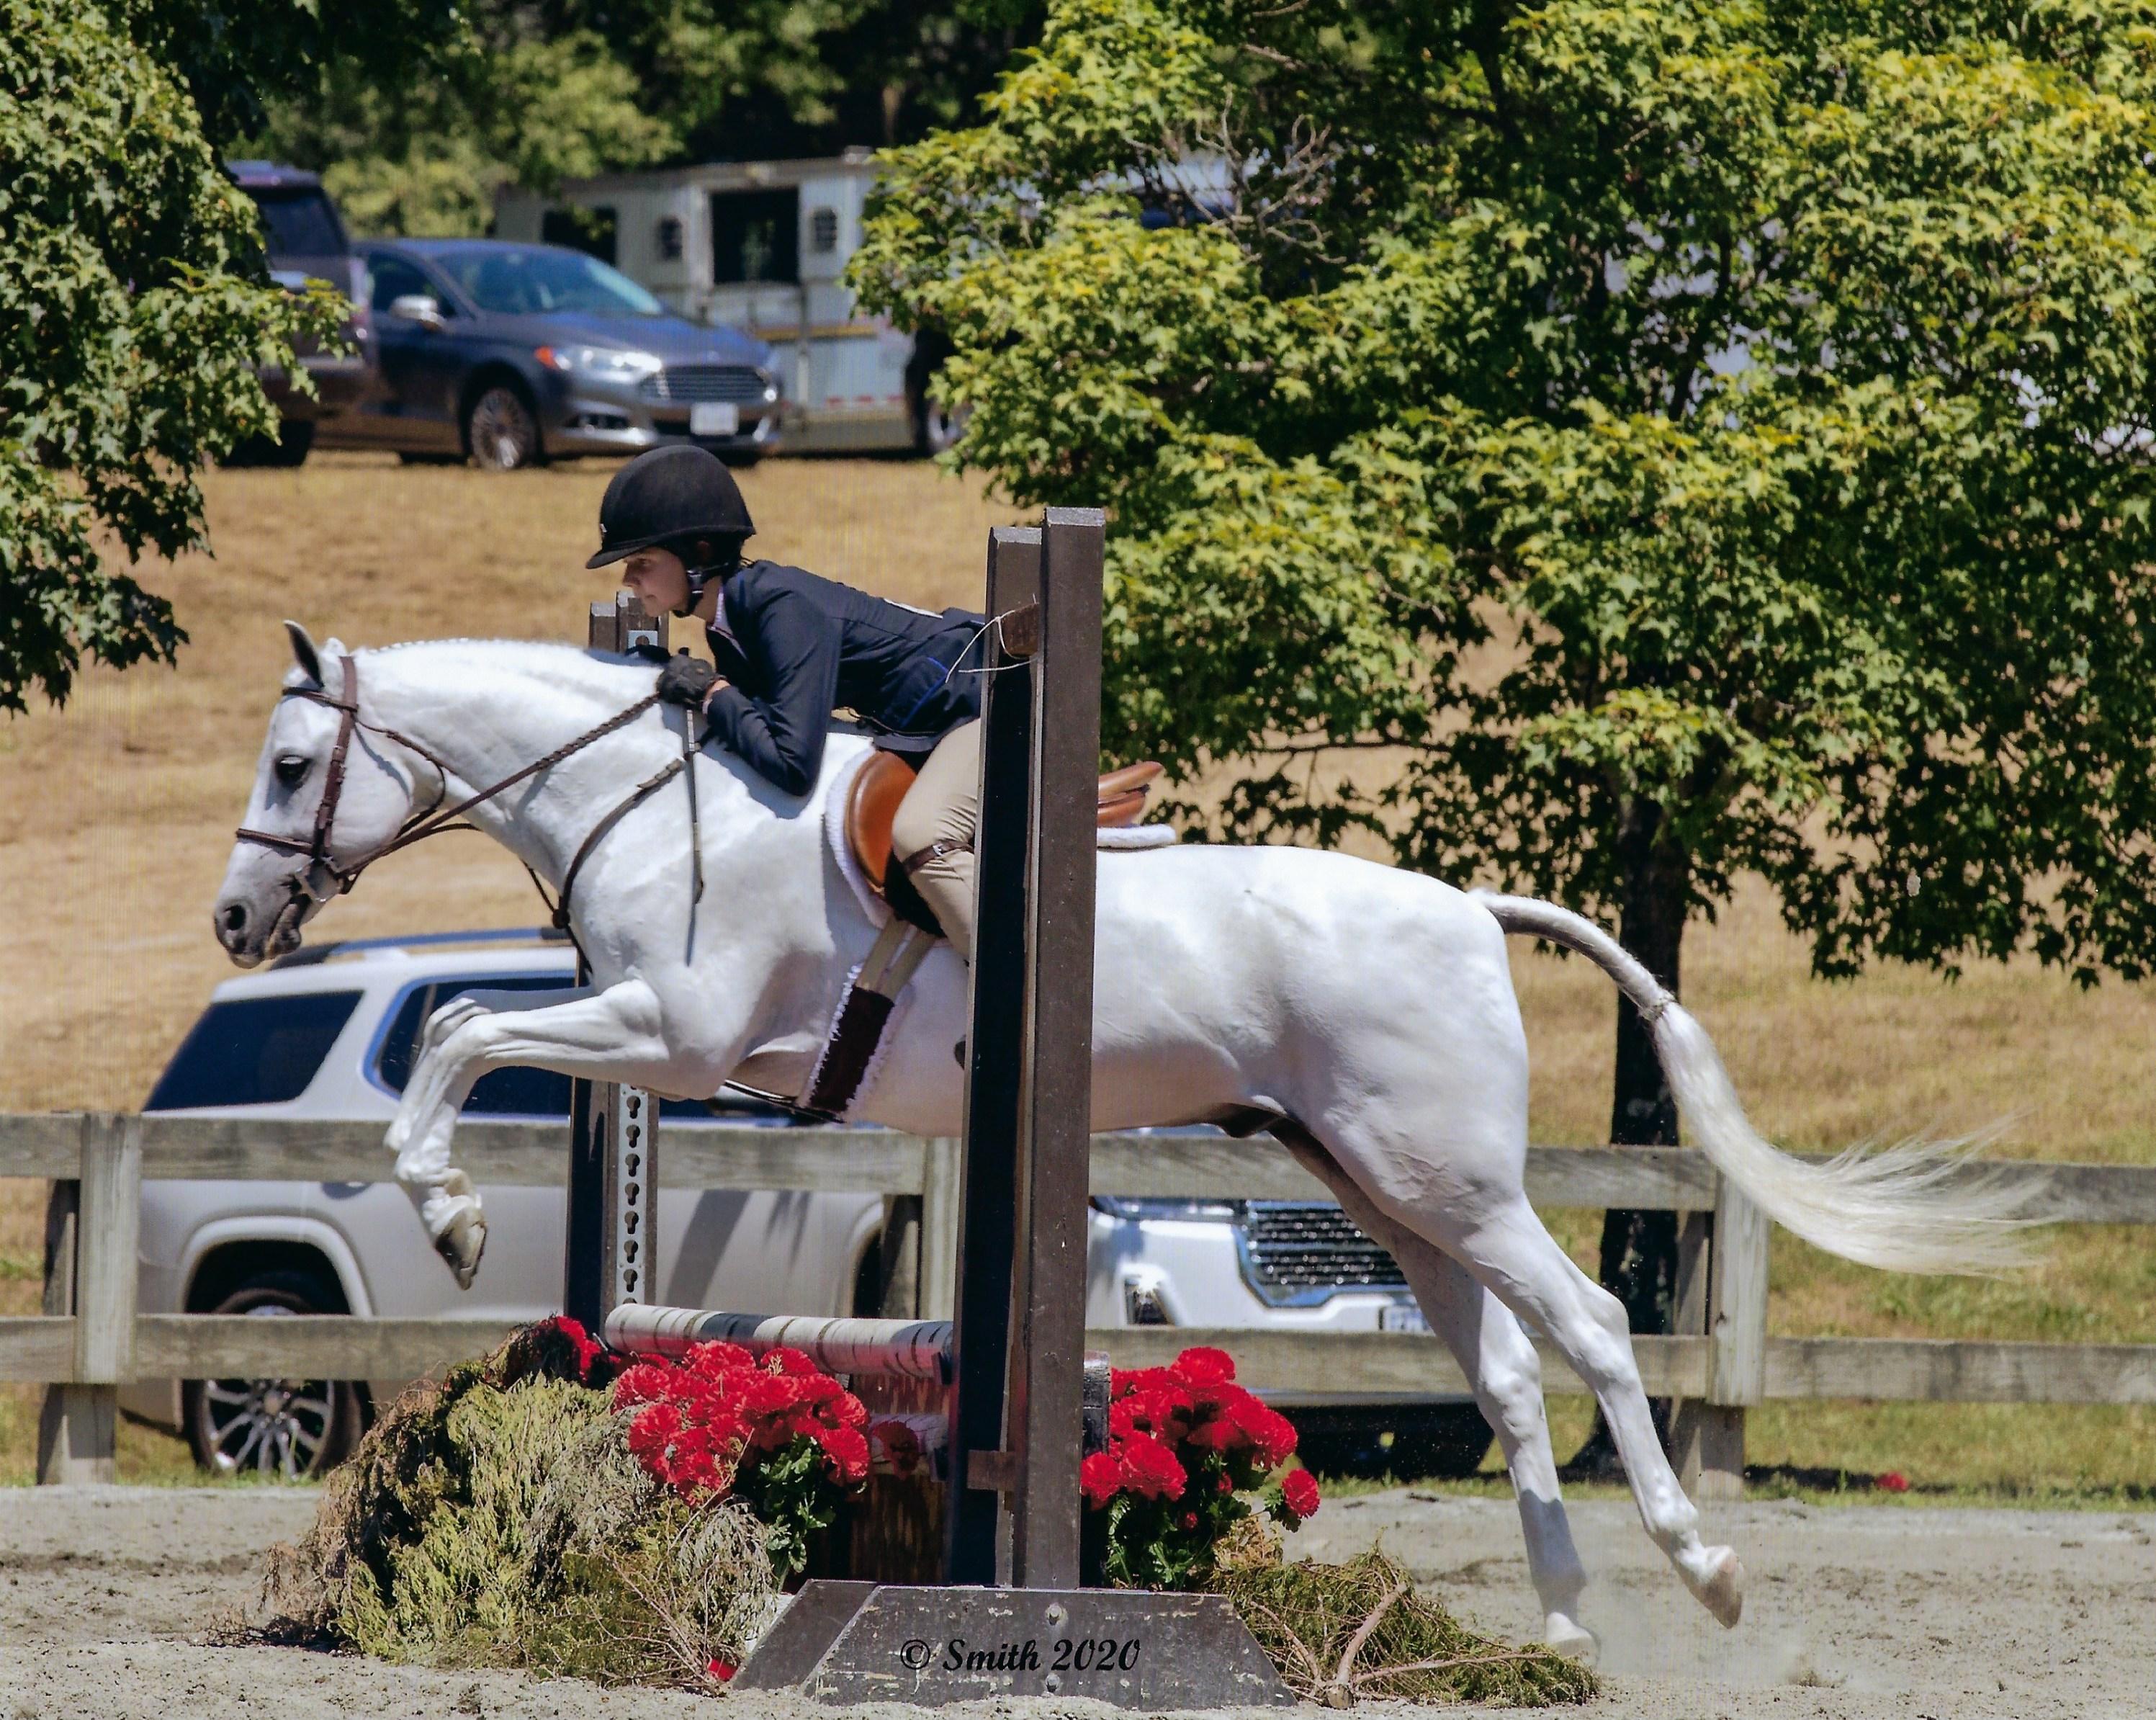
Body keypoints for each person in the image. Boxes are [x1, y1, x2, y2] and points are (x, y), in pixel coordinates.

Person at [586, 445, 987, 958]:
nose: (628, 579)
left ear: (699, 553)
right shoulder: (730, 625)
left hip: (985, 704)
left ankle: (1015, 994)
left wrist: (712, 693)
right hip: (932, 723)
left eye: (642, 562)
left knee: (921, 835)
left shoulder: (780, 606)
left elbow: (792, 763)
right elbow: (753, 731)